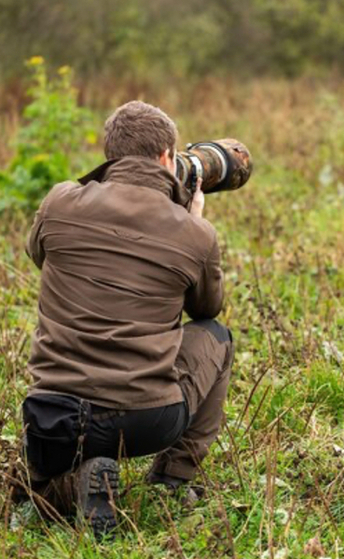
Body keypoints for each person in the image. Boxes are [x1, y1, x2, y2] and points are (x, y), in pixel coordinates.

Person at [16, 100, 234, 538]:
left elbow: (37, 252)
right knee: (217, 337)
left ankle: (73, 476)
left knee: (41, 494)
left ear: (109, 154)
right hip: (145, 422)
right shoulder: (193, 232)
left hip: (52, 414)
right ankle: (171, 481)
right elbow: (206, 310)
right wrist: (191, 223)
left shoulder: (59, 201)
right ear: (168, 158)